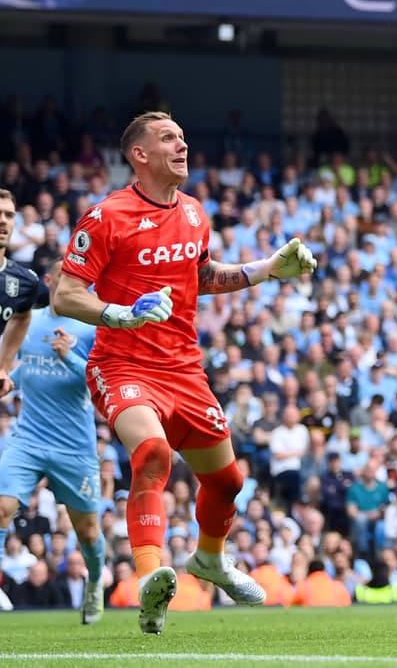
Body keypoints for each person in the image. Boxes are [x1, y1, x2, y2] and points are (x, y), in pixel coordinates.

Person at [53, 111, 317, 635]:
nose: (183, 143)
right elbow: (65, 294)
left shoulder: (194, 213)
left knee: (227, 482)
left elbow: (200, 276)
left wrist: (266, 269)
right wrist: (117, 314)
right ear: (140, 155)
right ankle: (151, 580)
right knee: (151, 455)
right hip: (122, 362)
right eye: (168, 138)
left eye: (182, 136)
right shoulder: (106, 216)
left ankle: (210, 561)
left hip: (184, 370)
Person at [0, 261, 106, 625]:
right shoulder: (27, 322)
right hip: (28, 437)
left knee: (88, 531)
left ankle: (94, 583)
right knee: (2, 505)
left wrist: (70, 356)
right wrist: (7, 379)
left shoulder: (92, 328)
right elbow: (11, 365)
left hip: (73, 447)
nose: (75, 285)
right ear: (49, 282)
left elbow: (99, 383)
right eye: (66, 279)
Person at [0, 187, 44, 394]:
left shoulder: (24, 281)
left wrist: (3, 367)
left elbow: (21, 318)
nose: (3, 221)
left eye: (9, 215)